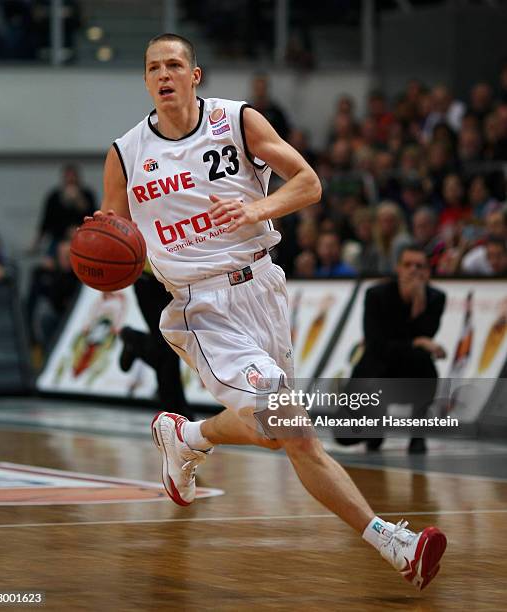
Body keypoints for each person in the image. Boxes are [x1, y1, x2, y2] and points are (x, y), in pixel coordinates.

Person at [89, 33, 447, 590]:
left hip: (263, 288)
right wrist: (103, 254)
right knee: (295, 430)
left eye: (174, 65)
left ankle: (189, 437)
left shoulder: (236, 120)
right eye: (154, 67)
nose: (164, 75)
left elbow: (308, 182)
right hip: (199, 307)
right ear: (145, 80)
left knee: (278, 430)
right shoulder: (126, 153)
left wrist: (256, 207)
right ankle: (393, 543)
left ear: (195, 75)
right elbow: (109, 234)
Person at [343, 245, 447, 454]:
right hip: (376, 365)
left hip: (409, 367)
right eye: (408, 265)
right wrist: (414, 342)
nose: (414, 270)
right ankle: (375, 424)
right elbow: (376, 345)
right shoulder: (376, 295)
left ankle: (417, 434)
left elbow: (426, 334)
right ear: (398, 268)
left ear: (428, 272)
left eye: (420, 266)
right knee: (344, 435)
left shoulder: (436, 298)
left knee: (424, 364)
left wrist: (418, 303)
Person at [118, 263, 190, 417]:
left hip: (175, 275)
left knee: (171, 344)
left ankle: (135, 341)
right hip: (148, 278)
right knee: (167, 345)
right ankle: (177, 415)